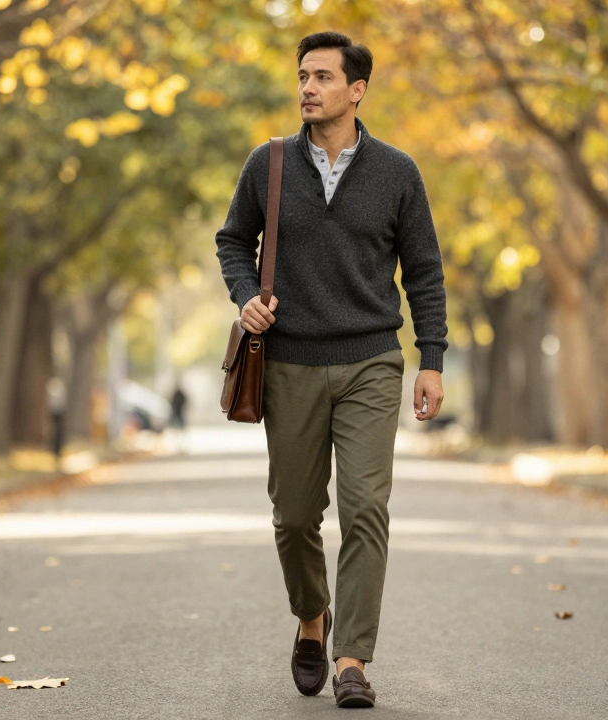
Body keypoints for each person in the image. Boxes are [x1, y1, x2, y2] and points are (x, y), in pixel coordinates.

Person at [215, 31, 447, 709]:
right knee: (293, 517)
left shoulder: (398, 172)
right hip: (288, 361)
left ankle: (352, 659)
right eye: (302, 76)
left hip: (372, 360)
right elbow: (234, 240)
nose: (307, 87)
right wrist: (246, 297)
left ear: (356, 90)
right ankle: (312, 618)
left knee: (366, 507)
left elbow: (425, 272)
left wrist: (431, 359)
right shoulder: (271, 164)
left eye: (322, 76)